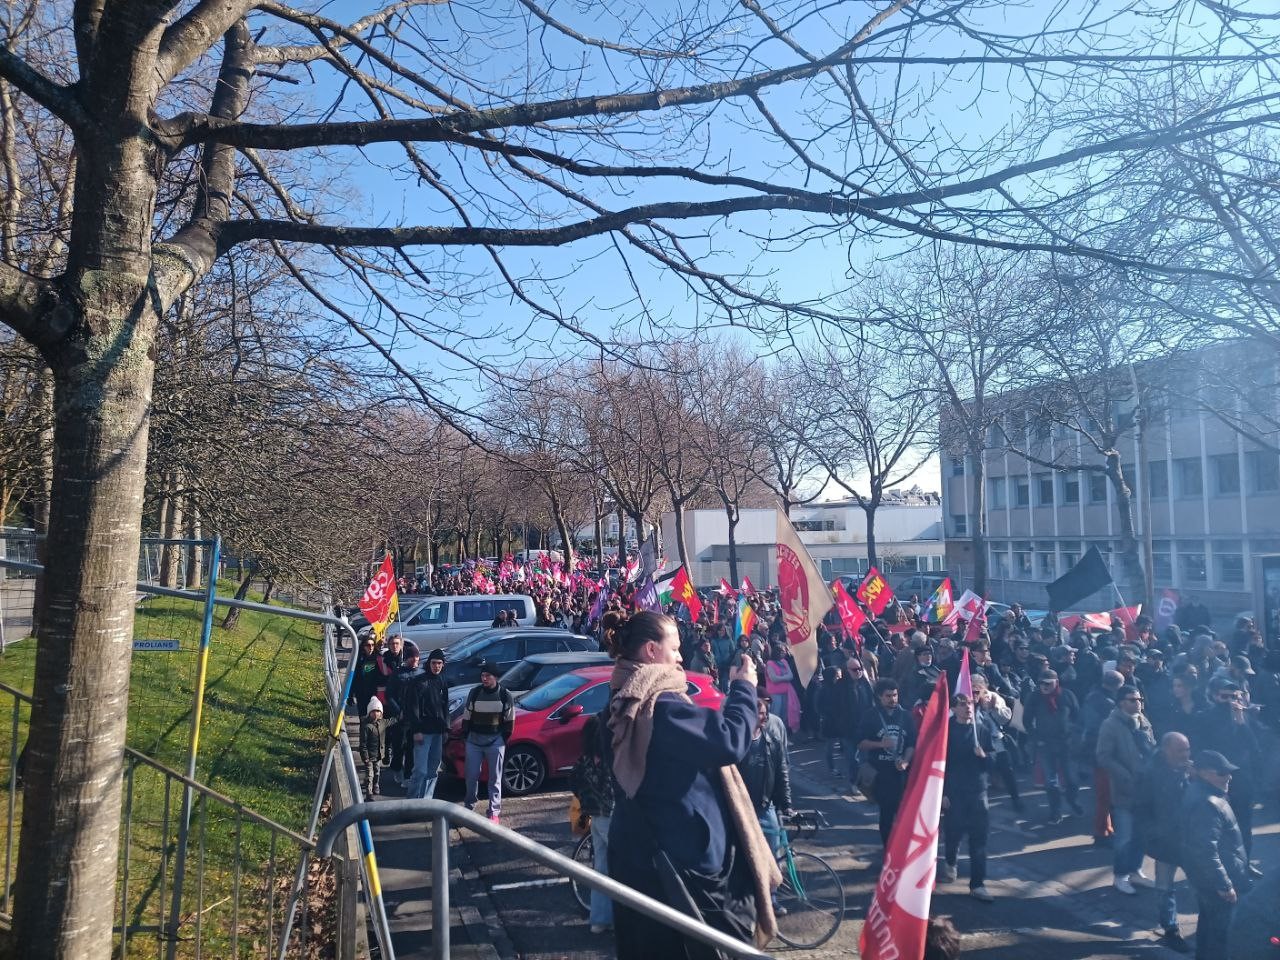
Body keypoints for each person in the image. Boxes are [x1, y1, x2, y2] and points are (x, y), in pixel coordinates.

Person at [603, 610, 779, 958]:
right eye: (676, 647)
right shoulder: (660, 707)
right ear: (652, 651)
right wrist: (744, 687)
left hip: (644, 853)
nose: (681, 657)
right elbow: (728, 741)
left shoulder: (624, 695)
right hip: (682, 859)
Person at [1181, 750, 1252, 960]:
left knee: (1207, 931)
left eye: (1229, 771)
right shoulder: (1207, 803)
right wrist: (1224, 885)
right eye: (1222, 772)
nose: (1228, 776)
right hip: (1219, 883)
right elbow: (1205, 849)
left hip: (1207, 881)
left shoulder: (1203, 794)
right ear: (1204, 773)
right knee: (1220, 938)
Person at [1096, 684, 1157, 894]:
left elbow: (1152, 746)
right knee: (1124, 837)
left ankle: (1135, 871)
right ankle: (1120, 875)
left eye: (1139, 699)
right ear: (1122, 702)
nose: (1138, 703)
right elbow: (1103, 756)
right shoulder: (1110, 725)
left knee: (1141, 834)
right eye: (1133, 700)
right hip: (1124, 790)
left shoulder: (1143, 721)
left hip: (1146, 788)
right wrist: (1124, 775)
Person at [1136, 732, 1192, 952]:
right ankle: (1171, 929)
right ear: (1166, 750)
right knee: (1165, 887)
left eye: (1187, 749)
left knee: (1200, 883)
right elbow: (1141, 808)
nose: (1186, 754)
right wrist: (1154, 833)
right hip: (1165, 841)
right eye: (1181, 750)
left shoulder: (1190, 772)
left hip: (1190, 840)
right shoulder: (1151, 773)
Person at [1196, 682, 1261, 866]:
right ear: (1216, 696)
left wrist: (1241, 722)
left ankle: (1245, 865)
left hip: (1242, 781)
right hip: (1215, 780)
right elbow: (1202, 749)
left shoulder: (1244, 718)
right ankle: (1224, 868)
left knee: (1244, 826)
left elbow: (1254, 748)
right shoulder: (1205, 717)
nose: (1231, 701)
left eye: (1235, 697)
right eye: (1225, 697)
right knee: (1219, 829)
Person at [938, 694, 996, 902]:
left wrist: (985, 757)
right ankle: (950, 860)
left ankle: (978, 884)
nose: (968, 707)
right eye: (962, 705)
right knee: (953, 835)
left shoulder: (982, 729)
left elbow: (993, 763)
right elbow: (940, 764)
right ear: (953, 709)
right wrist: (942, 793)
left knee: (979, 840)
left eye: (970, 703)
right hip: (955, 794)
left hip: (979, 793)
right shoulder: (946, 732)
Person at [857, 678, 917, 846]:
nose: (893, 699)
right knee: (887, 813)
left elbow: (912, 743)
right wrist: (881, 744)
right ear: (879, 697)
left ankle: (904, 848)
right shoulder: (871, 716)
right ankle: (888, 848)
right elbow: (861, 743)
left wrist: (906, 761)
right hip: (881, 772)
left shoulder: (905, 716)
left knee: (905, 813)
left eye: (895, 695)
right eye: (888, 696)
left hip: (901, 773)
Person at [570, 716, 615, 934]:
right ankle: (620, 920)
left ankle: (599, 920)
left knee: (601, 869)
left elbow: (574, 782)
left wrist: (586, 800)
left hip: (595, 817)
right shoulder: (610, 761)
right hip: (613, 818)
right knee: (622, 870)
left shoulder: (585, 760)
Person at [737, 691, 793, 862]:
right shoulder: (736, 743)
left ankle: (772, 889)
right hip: (742, 808)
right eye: (759, 714)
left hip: (765, 807)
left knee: (772, 858)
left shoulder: (772, 742)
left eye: (765, 713)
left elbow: (782, 775)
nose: (764, 718)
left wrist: (786, 805)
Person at [1023, 669, 1083, 824]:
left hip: (1066, 744)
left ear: (1056, 682)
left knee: (1071, 779)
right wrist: (1036, 738)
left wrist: (1074, 736)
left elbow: (1078, 717)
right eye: (1041, 683)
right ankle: (1055, 812)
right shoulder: (1034, 697)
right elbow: (1027, 721)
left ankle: (1072, 801)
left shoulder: (1067, 695)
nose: (1044, 686)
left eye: (1048, 683)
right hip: (1045, 745)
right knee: (1051, 781)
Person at [461, 661, 515, 823]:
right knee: (471, 776)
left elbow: (509, 720)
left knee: (495, 778)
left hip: (495, 742)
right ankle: (469, 805)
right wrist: (466, 736)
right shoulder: (475, 692)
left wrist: (502, 739)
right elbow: (467, 715)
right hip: (474, 741)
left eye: (488, 676)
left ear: (495, 678)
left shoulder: (505, 695)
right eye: (482, 675)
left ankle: (494, 811)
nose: (484, 679)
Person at [406, 648, 450, 800]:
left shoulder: (442, 681)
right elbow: (412, 708)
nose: (436, 666)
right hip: (423, 733)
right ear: (428, 663)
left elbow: (445, 707)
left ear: (443, 665)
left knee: (432, 771)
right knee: (420, 771)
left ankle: (426, 802)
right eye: (434, 663)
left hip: (438, 732)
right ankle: (412, 802)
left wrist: (446, 729)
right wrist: (416, 730)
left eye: (439, 663)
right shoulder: (418, 682)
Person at [763, 643, 800, 732]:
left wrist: (781, 678)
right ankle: (773, 734)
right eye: (783, 651)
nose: (785, 653)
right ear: (777, 652)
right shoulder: (770, 663)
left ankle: (782, 735)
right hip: (775, 694)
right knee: (776, 714)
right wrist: (785, 678)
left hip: (786, 692)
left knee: (785, 714)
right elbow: (774, 679)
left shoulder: (784, 661)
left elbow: (791, 675)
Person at [359, 697, 386, 796]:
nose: (376, 714)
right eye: (373, 711)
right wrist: (365, 756)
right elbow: (363, 743)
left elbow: (391, 721)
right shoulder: (366, 727)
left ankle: (376, 785)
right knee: (369, 774)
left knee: (377, 771)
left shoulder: (382, 724)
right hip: (369, 756)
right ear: (369, 713)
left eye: (378, 711)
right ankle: (369, 791)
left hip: (378, 755)